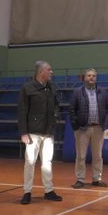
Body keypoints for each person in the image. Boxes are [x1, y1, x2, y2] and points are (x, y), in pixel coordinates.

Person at [17, 60, 63, 205]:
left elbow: (56, 105)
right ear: (41, 71)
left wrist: (56, 115)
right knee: (30, 162)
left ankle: (49, 190)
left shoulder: (52, 88)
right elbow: (22, 110)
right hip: (32, 132)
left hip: (48, 131)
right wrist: (23, 132)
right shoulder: (27, 88)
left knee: (47, 162)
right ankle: (27, 192)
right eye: (49, 69)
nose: (51, 72)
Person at [69, 68, 108, 189]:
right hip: (82, 129)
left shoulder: (102, 91)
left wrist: (105, 124)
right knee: (81, 156)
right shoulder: (78, 92)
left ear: (96, 78)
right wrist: (76, 126)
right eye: (89, 75)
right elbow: (72, 110)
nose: (91, 77)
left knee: (98, 155)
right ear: (84, 77)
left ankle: (96, 179)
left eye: (93, 76)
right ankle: (80, 179)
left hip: (98, 128)